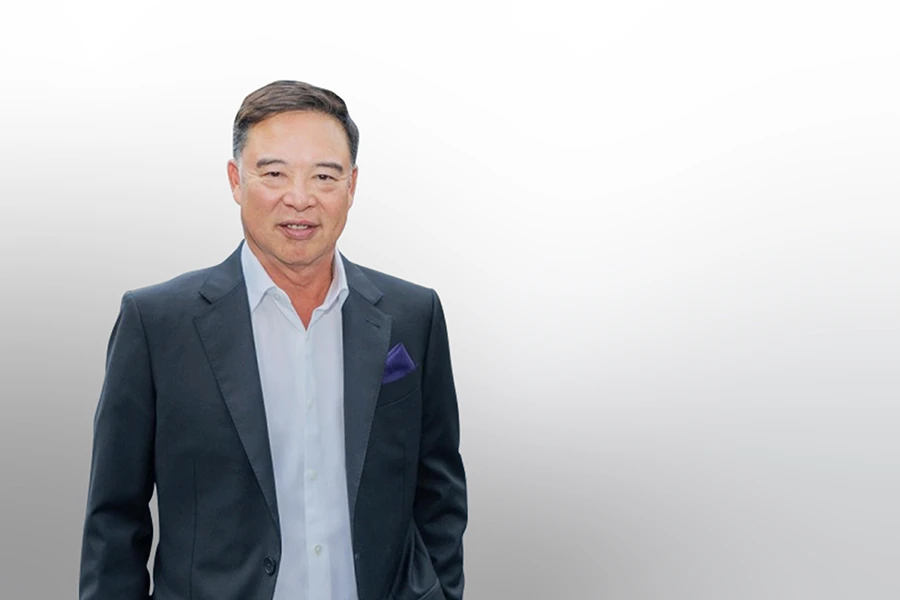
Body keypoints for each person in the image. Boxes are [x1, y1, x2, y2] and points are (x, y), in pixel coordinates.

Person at [79, 80, 467, 600]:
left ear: (351, 185)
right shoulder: (157, 324)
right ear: (236, 180)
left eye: (324, 175)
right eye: (274, 173)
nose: (299, 198)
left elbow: (440, 491)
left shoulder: (413, 316)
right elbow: (114, 519)